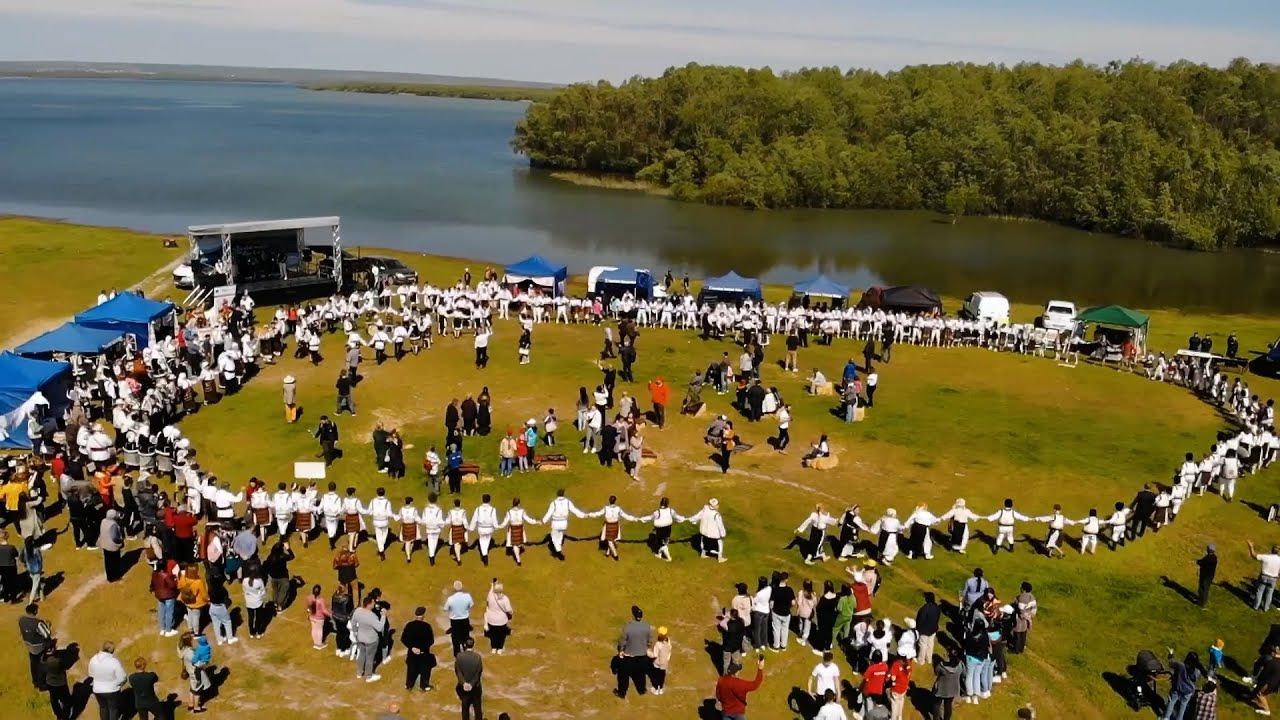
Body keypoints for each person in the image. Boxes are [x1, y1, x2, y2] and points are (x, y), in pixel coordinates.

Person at [615, 604, 653, 698]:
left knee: (623, 676)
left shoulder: (628, 627)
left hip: (629, 657)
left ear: (633, 615)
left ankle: (621, 693)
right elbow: (649, 641)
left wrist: (620, 650)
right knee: (641, 675)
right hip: (642, 656)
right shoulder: (647, 626)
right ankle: (641, 690)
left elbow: (622, 642)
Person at [715, 655, 765, 720]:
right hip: (738, 713)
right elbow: (755, 684)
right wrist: (760, 669)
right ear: (735, 673)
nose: (739, 672)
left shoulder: (721, 680)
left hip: (726, 712)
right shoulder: (740, 684)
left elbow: (718, 695)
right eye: (738, 671)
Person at [88, 640, 127, 720]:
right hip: (112, 691)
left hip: (97, 690)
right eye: (113, 649)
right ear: (109, 649)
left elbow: (91, 675)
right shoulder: (114, 661)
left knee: (103, 708)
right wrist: (118, 685)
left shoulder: (93, 659)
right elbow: (122, 677)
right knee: (113, 709)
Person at [352, 594, 387, 682]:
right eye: (372, 603)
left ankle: (359, 673)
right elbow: (380, 628)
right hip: (371, 640)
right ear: (369, 604)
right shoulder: (371, 616)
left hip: (360, 637)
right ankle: (369, 676)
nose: (374, 604)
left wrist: (356, 632)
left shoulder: (357, 610)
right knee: (370, 657)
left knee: (361, 655)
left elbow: (353, 623)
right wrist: (383, 616)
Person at [19, 602, 54, 690]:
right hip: (38, 647)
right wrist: (48, 626)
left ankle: (35, 682)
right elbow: (46, 634)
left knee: (33, 664)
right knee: (41, 665)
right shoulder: (38, 623)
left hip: (28, 645)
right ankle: (42, 685)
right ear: (35, 611)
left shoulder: (21, 620)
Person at [402, 605, 437, 692]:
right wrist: (421, 649)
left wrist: (412, 647)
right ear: (423, 615)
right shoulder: (427, 626)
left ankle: (409, 685)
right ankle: (424, 686)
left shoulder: (409, 625)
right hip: (423, 653)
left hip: (411, 653)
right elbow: (431, 641)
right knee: (425, 669)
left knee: (411, 669)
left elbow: (403, 639)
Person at [1163, 650, 1204, 720]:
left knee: (1171, 702)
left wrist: (1171, 654)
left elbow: (1171, 663)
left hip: (1177, 688)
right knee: (1183, 706)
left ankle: (1166, 718)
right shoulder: (1197, 671)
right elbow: (1194, 679)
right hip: (1188, 691)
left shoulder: (1180, 665)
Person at [454, 638, 485, 720]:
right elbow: (478, 673)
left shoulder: (459, 656)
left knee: (465, 707)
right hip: (475, 687)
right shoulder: (478, 657)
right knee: (477, 707)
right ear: (473, 645)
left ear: (465, 645)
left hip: (463, 687)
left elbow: (458, 671)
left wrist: (464, 683)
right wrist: (471, 684)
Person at [40, 644, 72, 720]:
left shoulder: (43, 660)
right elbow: (66, 666)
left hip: (50, 683)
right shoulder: (57, 661)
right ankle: (65, 717)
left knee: (54, 700)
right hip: (60, 683)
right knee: (66, 701)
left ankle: (58, 715)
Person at [445, 580, 475, 656]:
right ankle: (466, 651)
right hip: (465, 620)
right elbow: (471, 605)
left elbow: (446, 609)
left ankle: (457, 653)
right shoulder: (467, 596)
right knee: (465, 636)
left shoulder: (450, 599)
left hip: (454, 622)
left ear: (454, 588)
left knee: (455, 638)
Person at [484, 580, 514, 654]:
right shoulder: (505, 598)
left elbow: (489, 596)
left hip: (491, 620)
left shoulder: (490, 596)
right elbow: (509, 610)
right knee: (501, 635)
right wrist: (511, 613)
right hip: (502, 620)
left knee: (493, 635)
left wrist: (492, 585)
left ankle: (493, 648)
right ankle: (499, 649)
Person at [1249, 540, 1280, 611]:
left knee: (1260, 591)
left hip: (1263, 577)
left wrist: (1251, 547)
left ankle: (1256, 606)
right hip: (1273, 579)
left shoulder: (1266, 557)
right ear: (1278, 552)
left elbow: (1254, 556)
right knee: (1269, 593)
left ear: (1271, 550)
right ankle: (1266, 608)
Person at [931, 653, 963, 720]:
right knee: (948, 705)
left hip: (940, 689)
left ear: (950, 658)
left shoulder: (941, 666)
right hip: (953, 689)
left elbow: (936, 672)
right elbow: (964, 673)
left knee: (936, 704)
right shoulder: (960, 666)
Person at [98, 508, 125, 582]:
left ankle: (109, 576)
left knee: (107, 561)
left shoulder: (103, 521)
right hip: (112, 546)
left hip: (104, 544)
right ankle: (115, 576)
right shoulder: (113, 524)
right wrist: (120, 541)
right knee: (115, 562)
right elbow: (114, 537)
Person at [305, 584, 331, 650]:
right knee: (319, 630)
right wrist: (330, 614)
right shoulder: (321, 600)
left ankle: (315, 644)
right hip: (319, 618)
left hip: (312, 617)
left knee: (314, 629)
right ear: (319, 591)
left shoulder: (309, 597)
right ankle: (319, 644)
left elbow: (308, 608)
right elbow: (324, 610)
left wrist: (308, 614)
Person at [649, 626, 672, 695]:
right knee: (662, 676)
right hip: (664, 663)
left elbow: (654, 655)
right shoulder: (668, 641)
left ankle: (656, 689)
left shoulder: (658, 644)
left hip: (657, 663)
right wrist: (667, 659)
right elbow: (669, 651)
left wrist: (648, 652)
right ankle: (661, 689)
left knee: (656, 676)